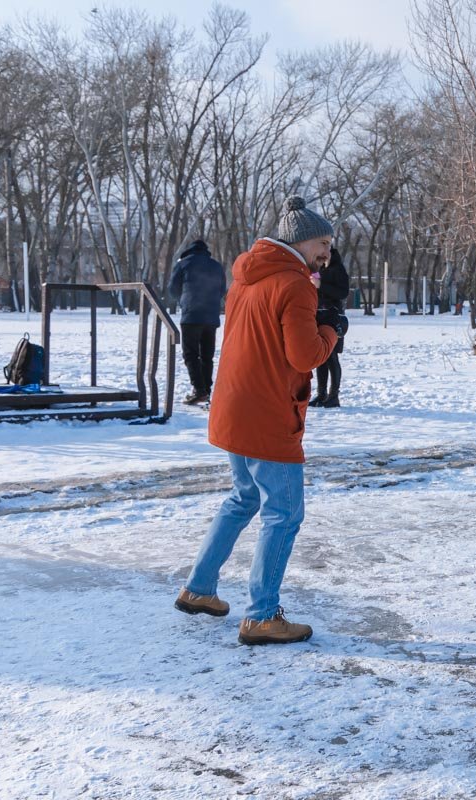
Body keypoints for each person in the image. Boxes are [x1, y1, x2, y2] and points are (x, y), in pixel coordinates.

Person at [174, 196, 344, 646]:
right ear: (302, 241)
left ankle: (199, 588)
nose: (327, 254)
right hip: (268, 412)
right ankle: (262, 615)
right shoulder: (295, 285)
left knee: (243, 498)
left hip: (234, 407)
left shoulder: (247, 278)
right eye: (324, 244)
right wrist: (332, 329)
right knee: (283, 515)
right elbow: (305, 356)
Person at [168, 240, 227, 404]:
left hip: (191, 316)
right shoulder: (216, 266)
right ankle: (206, 390)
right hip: (211, 316)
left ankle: (199, 390)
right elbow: (222, 289)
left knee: (191, 354)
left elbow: (172, 289)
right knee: (207, 355)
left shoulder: (183, 264)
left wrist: (184, 301)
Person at [311, 247, 350, 408]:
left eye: (325, 254)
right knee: (321, 357)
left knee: (332, 357)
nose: (323, 256)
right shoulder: (318, 270)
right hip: (318, 316)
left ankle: (334, 395)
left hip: (333, 317)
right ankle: (321, 394)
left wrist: (321, 285)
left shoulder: (338, 269)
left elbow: (343, 292)